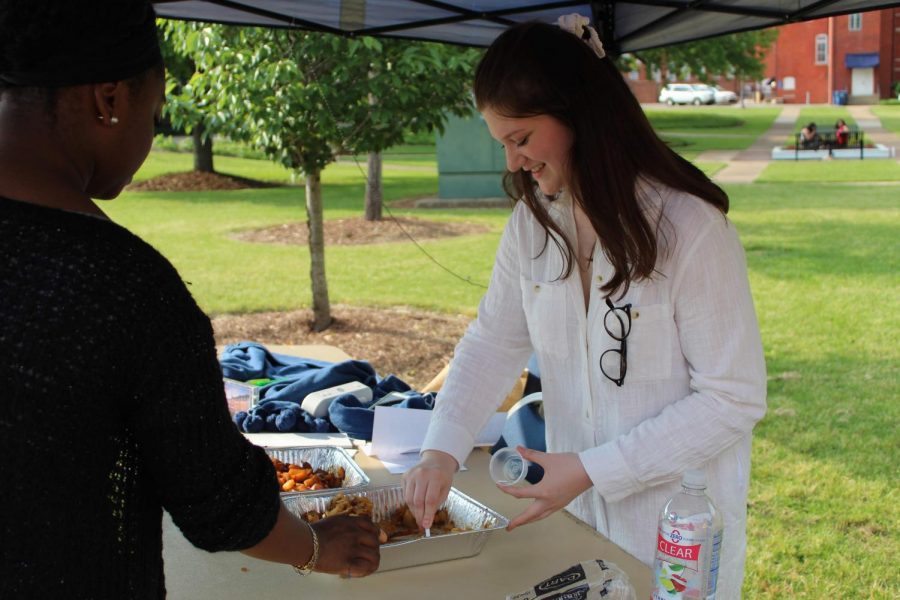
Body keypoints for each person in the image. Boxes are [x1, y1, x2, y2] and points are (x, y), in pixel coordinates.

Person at [0, 1, 379, 596]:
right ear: (109, 100)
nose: (151, 135)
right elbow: (216, 499)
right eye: (154, 114)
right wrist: (317, 547)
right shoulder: (124, 288)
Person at [402, 16, 766, 600]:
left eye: (521, 139)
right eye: (503, 145)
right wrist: (439, 451)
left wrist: (595, 470)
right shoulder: (533, 224)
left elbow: (733, 396)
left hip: (676, 539)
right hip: (578, 535)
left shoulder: (691, 229)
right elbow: (494, 340)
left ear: (578, 114)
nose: (515, 163)